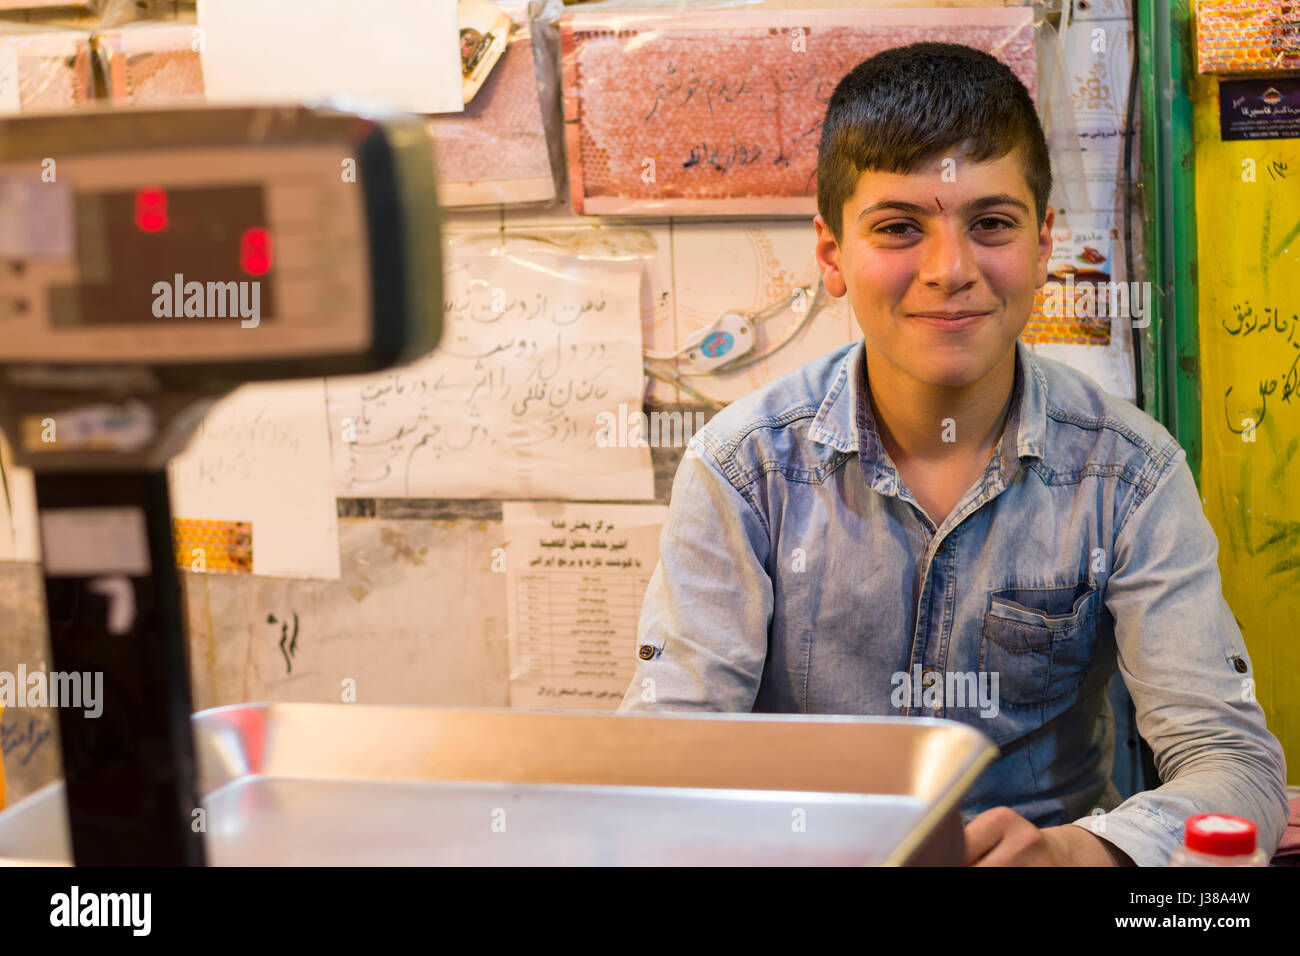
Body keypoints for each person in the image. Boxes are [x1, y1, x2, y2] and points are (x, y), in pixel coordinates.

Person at [616, 42, 1288, 866]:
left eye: (991, 224)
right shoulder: (743, 469)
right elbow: (667, 753)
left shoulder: (1130, 474)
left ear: (1044, 245)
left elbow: (1232, 762)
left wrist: (1077, 854)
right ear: (831, 253)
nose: (950, 270)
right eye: (899, 227)